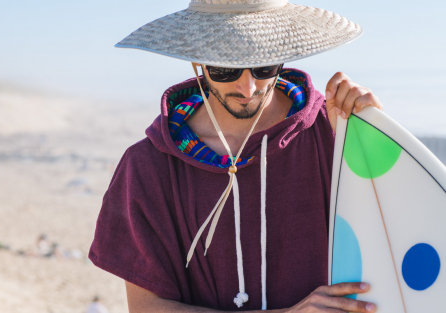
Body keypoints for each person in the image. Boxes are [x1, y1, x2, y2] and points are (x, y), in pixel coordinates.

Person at [89, 1, 382, 312]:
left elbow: (394, 236)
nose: (248, 86)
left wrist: (371, 137)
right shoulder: (148, 167)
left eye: (263, 64)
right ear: (197, 60)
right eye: (226, 67)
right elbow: (146, 308)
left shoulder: (332, 129)